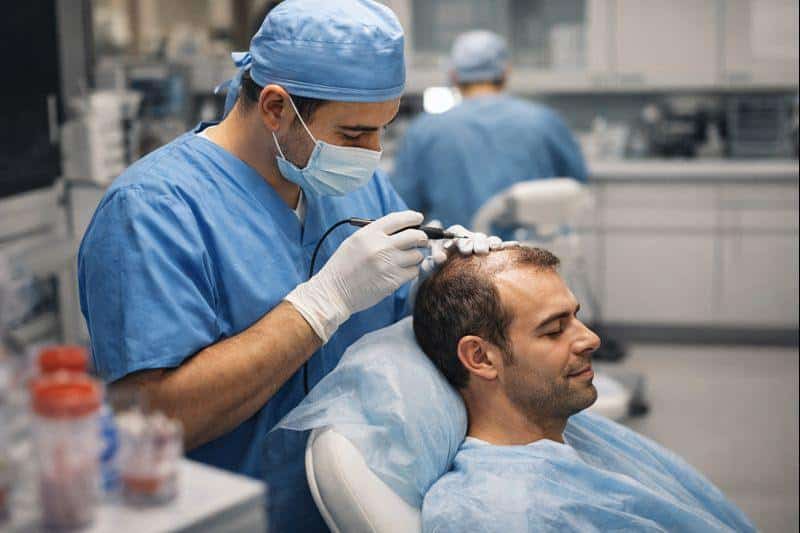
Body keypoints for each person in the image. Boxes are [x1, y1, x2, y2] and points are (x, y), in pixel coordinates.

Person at [78, 1, 498, 529]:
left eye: (382, 130)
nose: (372, 153)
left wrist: (443, 278)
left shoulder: (358, 185)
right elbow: (160, 417)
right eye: (353, 135)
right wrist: (324, 302)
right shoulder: (152, 211)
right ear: (275, 107)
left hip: (366, 506)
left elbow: (398, 319)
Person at [412, 247, 756, 532]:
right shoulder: (496, 515)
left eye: (576, 317)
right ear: (481, 357)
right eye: (554, 330)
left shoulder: (570, 429)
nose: (591, 339)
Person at [392, 30, 588, 230]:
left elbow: (404, 209)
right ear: (506, 72)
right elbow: (575, 186)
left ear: (453, 75)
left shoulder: (424, 131)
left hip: (457, 248)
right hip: (533, 249)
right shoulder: (544, 121)